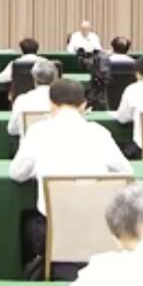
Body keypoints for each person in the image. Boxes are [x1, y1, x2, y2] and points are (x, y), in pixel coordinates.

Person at [11, 79, 132, 274]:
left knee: (26, 223)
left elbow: (17, 173)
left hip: (54, 232)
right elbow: (126, 173)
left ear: (51, 104)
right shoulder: (99, 133)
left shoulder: (38, 131)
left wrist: (37, 169)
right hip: (100, 229)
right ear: (84, 105)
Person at [7, 59, 58, 136]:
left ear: (34, 78)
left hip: (29, 143)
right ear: (55, 79)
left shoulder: (22, 100)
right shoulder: (64, 102)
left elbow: (12, 129)